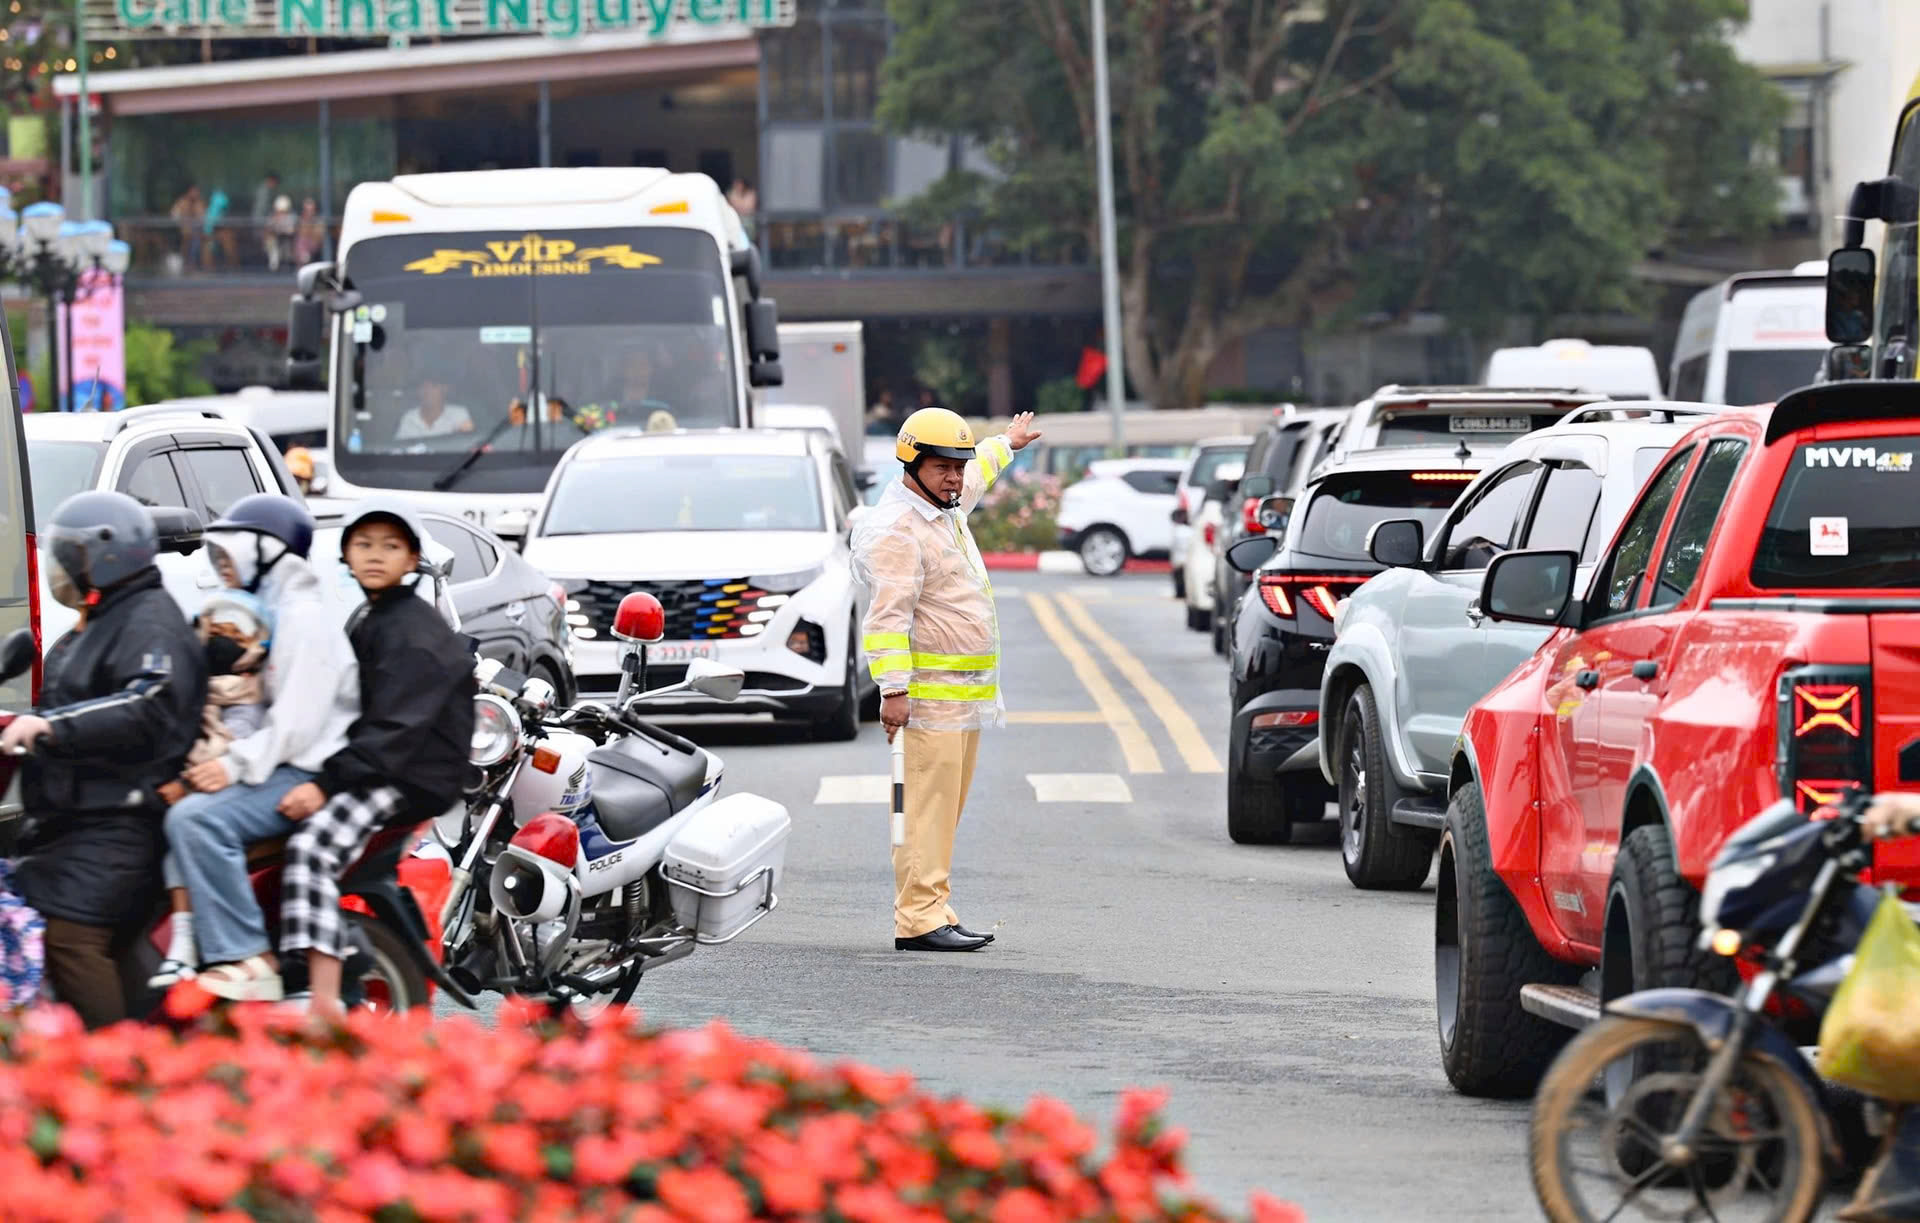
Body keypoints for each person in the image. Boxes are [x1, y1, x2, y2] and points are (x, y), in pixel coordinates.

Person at [0, 492, 208, 1027]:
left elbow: (148, 702)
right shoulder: (95, 622)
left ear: (103, 556)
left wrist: (48, 726)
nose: (56, 568)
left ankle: (114, 1063)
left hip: (121, 822)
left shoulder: (149, 622)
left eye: (66, 554)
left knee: (69, 937)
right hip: (71, 821)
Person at [851, 406, 1041, 952]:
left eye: (957, 467)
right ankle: (917, 918)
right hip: (927, 700)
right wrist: (892, 691)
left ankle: (934, 906)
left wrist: (1008, 441)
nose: (955, 477)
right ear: (911, 465)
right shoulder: (897, 530)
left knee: (943, 813)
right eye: (942, 468)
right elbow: (886, 619)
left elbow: (979, 466)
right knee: (924, 813)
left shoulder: (944, 505)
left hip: (962, 700)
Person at [162, 495, 359, 1001]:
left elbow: (296, 723)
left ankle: (249, 956)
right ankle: (189, 946)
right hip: (279, 761)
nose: (222, 568)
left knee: (197, 819)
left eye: (230, 555)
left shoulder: (304, 619)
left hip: (299, 770)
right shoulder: (275, 613)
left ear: (265, 551)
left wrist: (231, 767)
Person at [282, 499, 473, 1017]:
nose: (374, 556)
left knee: (310, 852)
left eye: (391, 547)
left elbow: (393, 731)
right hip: (383, 763)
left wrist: (324, 784)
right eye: (363, 545)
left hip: (404, 777)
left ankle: (327, 993)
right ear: (345, 555)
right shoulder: (374, 614)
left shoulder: (412, 631)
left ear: (413, 560)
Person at [149, 590, 273, 985]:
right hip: (208, 778)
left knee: (185, 823)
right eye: (215, 631)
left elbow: (232, 747)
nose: (221, 640)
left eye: (234, 635)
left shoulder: (254, 695)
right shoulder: (196, 688)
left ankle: (208, 946)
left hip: (247, 784)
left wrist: (191, 775)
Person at [393, 370, 475, 441]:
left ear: (444, 389)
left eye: (433, 386)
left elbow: (468, 443)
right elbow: (400, 449)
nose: (427, 391)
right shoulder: (409, 418)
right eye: (424, 387)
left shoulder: (459, 414)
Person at [294, 198, 326, 265]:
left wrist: (309, 231)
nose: (309, 212)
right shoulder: (301, 220)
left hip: (315, 246)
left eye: (311, 210)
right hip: (303, 247)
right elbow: (301, 232)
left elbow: (319, 236)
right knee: (301, 242)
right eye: (307, 210)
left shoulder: (319, 220)